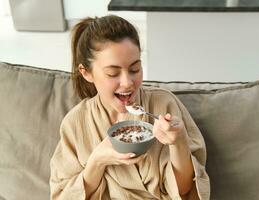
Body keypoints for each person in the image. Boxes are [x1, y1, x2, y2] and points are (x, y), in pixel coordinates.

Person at [50, 15, 210, 200]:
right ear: (86, 73)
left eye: (134, 69)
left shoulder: (163, 105)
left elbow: (184, 192)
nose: (127, 83)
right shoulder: (75, 123)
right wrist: (97, 162)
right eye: (112, 73)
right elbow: (61, 196)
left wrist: (178, 142)